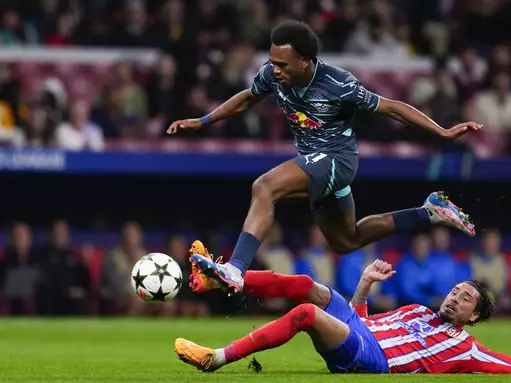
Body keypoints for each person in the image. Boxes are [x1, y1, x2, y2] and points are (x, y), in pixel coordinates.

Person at [166, 20, 481, 294]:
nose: (275, 70)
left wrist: (442, 131)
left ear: (304, 61)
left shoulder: (339, 83)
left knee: (265, 186)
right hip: (314, 163)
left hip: (337, 160)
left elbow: (391, 107)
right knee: (346, 240)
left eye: (283, 64)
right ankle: (429, 211)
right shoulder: (272, 75)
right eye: (272, 62)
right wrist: (204, 120)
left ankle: (235, 268)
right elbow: (249, 98)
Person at [175, 257, 511, 374]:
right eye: (454, 291)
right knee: (305, 284)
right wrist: (365, 286)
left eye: (464, 298)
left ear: (475, 316)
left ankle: (217, 357)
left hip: (372, 360)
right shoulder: (416, 310)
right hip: (362, 334)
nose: (453, 298)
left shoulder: (465, 349)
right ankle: (225, 280)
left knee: (305, 313)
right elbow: (362, 321)